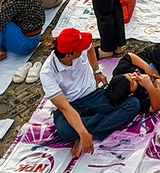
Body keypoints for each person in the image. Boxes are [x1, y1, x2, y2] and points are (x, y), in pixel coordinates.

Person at [43, 28, 142, 157]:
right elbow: (65, 108)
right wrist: (83, 132)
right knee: (65, 131)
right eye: (80, 49)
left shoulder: (80, 47)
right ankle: (98, 123)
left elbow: (90, 48)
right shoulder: (47, 72)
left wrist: (96, 71)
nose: (83, 48)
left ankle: (91, 131)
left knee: (133, 103)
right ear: (69, 56)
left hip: (93, 95)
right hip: (70, 105)